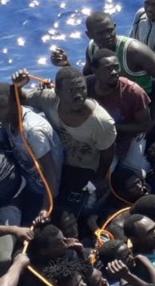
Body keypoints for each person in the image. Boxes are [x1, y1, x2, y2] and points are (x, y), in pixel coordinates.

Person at [51, 11, 155, 140]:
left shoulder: (134, 51)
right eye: (100, 33)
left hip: (137, 105)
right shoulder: (92, 49)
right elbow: (86, 79)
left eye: (109, 30)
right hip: (112, 100)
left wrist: (154, 119)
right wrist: (66, 65)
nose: (107, 36)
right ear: (89, 35)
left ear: (115, 26)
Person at [13, 67, 116, 213]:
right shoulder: (48, 99)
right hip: (58, 160)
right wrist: (18, 85)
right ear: (57, 92)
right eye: (70, 91)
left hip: (85, 168)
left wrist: (98, 180)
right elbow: (19, 98)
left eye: (82, 89)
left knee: (69, 210)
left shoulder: (101, 122)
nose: (78, 95)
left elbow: (108, 153)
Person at [0, 83, 62, 220]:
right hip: (26, 178)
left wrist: (46, 208)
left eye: (1, 106)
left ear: (15, 103)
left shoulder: (32, 131)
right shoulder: (8, 120)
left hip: (43, 189)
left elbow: (51, 173)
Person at [86, 48, 152, 171]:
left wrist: (114, 128)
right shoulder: (86, 85)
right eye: (107, 68)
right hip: (92, 138)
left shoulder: (133, 92)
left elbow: (145, 125)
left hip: (122, 140)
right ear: (95, 71)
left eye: (116, 67)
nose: (114, 72)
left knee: (110, 170)